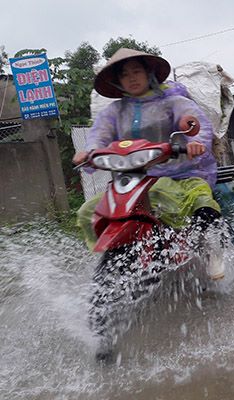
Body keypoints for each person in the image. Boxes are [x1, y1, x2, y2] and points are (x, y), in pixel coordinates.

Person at [73, 48, 223, 277]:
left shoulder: (173, 102)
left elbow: (193, 123)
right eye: (125, 74)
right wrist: (88, 153)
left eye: (136, 71)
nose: (131, 77)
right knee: (89, 210)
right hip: (134, 178)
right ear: (118, 81)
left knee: (197, 200)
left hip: (181, 173)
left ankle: (211, 247)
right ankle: (113, 258)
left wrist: (195, 142)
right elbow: (98, 137)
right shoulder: (114, 111)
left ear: (149, 72)